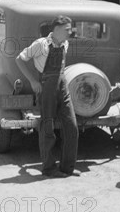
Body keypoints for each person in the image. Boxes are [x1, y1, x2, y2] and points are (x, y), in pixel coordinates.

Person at [15, 15, 79, 178]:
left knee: (71, 126)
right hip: (46, 87)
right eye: (67, 30)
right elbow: (20, 59)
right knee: (47, 127)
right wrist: (33, 81)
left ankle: (67, 168)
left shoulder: (66, 43)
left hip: (62, 85)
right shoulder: (40, 44)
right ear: (56, 29)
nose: (70, 32)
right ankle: (49, 169)